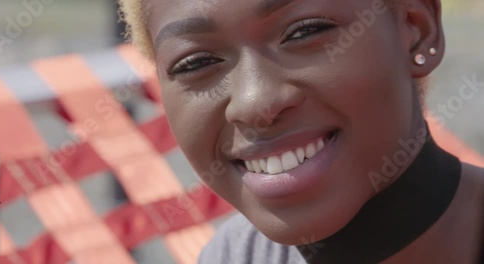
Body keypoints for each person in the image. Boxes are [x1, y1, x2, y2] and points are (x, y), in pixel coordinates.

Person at [118, 0, 484, 263]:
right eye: (195, 62)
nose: (254, 103)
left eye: (306, 31)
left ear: (417, 30)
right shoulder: (233, 256)